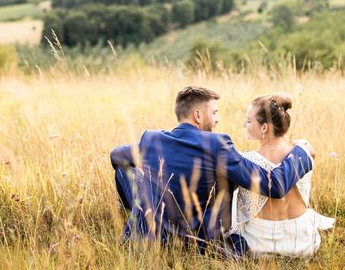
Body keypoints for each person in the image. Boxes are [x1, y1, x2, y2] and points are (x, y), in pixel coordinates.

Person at [110, 86, 315, 255]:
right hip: (200, 241)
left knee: (123, 170)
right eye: (214, 113)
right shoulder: (218, 145)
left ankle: (139, 221)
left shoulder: (153, 139)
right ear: (197, 115)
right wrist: (301, 153)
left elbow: (116, 156)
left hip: (155, 234)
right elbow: (274, 186)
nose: (217, 119)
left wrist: (149, 182)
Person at [231, 93, 335, 257]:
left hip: (258, 243)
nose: (244, 124)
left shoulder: (246, 161)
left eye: (249, 120)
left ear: (264, 128)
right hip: (301, 242)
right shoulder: (304, 152)